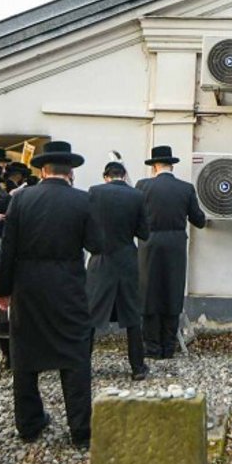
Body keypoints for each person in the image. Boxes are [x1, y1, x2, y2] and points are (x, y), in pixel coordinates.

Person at [0, 141, 103, 446]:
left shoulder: (21, 199)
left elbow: (8, 249)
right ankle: (80, 431)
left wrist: (4, 290)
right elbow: (96, 245)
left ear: (43, 170)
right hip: (68, 285)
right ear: (70, 172)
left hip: (27, 286)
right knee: (75, 355)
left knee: (25, 355)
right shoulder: (83, 200)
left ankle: (29, 424)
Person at [137, 145, 207, 359]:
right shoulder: (185, 188)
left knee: (149, 293)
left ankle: (152, 347)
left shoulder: (143, 186)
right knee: (172, 291)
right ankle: (168, 346)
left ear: (154, 167)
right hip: (176, 244)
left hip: (149, 243)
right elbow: (199, 220)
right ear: (172, 166)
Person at [87, 158, 151, 378]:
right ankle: (137, 367)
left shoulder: (93, 192)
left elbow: (86, 226)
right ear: (123, 176)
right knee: (132, 316)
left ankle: (83, 366)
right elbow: (144, 233)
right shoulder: (137, 196)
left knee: (90, 315)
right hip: (126, 261)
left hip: (100, 260)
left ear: (105, 177)